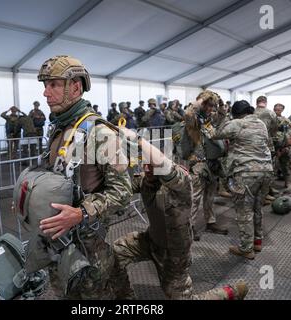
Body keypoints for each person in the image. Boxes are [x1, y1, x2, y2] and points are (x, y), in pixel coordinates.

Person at [35, 55, 132, 299]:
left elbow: (123, 192)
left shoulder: (101, 134)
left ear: (75, 87)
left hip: (88, 247)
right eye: (45, 85)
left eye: (53, 85)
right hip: (58, 241)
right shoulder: (59, 127)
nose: (46, 93)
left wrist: (81, 213)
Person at [110, 129, 248, 300]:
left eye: (150, 164)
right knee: (115, 252)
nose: (146, 168)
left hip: (174, 254)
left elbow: (164, 166)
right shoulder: (146, 178)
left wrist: (137, 140)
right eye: (144, 164)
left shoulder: (181, 182)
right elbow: (118, 188)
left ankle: (230, 292)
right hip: (150, 240)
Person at [212, 100, 273, 259]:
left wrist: (221, 116)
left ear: (235, 113)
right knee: (257, 207)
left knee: (244, 211)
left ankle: (246, 249)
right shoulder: (261, 123)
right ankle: (257, 242)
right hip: (266, 171)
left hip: (247, 172)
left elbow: (216, 134)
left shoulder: (237, 123)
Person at [184, 91, 228, 241]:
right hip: (198, 164)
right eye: (209, 105)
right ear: (202, 104)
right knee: (195, 198)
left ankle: (211, 222)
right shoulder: (193, 120)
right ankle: (189, 227)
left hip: (212, 163)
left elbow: (222, 114)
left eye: (213, 106)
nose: (211, 108)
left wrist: (219, 101)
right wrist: (201, 99)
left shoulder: (209, 120)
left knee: (210, 196)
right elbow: (189, 113)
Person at [273, 103, 291, 187]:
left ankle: (287, 182)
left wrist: (285, 145)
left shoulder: (286, 121)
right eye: (276, 109)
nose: (277, 111)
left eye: (279, 109)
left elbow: (290, 133)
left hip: (284, 146)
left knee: (285, 165)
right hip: (273, 147)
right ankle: (270, 186)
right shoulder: (270, 119)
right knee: (273, 166)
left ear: (282, 110)